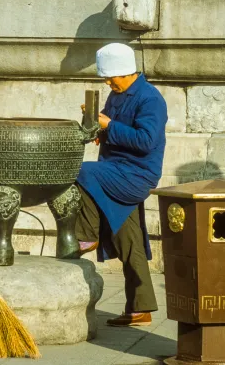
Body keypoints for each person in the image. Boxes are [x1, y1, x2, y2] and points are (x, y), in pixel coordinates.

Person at [75, 43, 167, 327]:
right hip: (115, 171)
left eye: (111, 76)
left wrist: (108, 127)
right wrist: (96, 130)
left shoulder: (150, 99)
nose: (107, 82)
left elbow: (145, 141)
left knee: (80, 172)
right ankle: (141, 309)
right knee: (130, 241)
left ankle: (85, 235)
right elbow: (108, 127)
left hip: (135, 175)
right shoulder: (117, 94)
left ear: (126, 72)